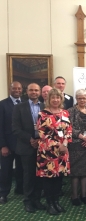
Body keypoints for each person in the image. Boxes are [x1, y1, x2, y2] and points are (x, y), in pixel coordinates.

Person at [37, 88, 72, 215]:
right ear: (48, 99)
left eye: (58, 97)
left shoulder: (65, 113)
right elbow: (42, 134)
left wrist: (65, 143)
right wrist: (59, 144)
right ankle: (50, 204)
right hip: (48, 152)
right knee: (49, 178)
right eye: (53, 97)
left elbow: (69, 130)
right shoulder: (43, 114)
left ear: (61, 99)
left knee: (59, 178)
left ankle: (56, 202)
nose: (55, 100)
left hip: (62, 151)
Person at [12, 83, 45, 212]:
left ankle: (37, 199)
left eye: (36, 90)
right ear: (27, 91)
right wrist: (31, 139)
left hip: (42, 146)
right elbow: (15, 129)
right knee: (28, 175)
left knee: (39, 174)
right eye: (31, 90)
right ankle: (28, 201)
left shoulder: (44, 107)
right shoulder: (19, 107)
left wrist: (40, 140)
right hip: (26, 146)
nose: (34, 92)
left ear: (40, 92)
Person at [68, 89, 86, 206]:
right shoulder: (70, 111)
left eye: (84, 98)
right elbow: (69, 127)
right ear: (76, 99)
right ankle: (74, 196)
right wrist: (82, 137)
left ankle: (84, 195)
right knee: (75, 172)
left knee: (85, 172)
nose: (82, 100)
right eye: (80, 98)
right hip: (75, 145)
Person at [0, 81, 23, 204]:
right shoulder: (2, 104)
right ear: (10, 89)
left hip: (22, 144)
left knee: (21, 169)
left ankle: (20, 189)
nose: (17, 90)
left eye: (19, 88)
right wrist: (3, 145)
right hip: (7, 144)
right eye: (15, 88)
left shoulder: (25, 103)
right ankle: (3, 193)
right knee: (6, 170)